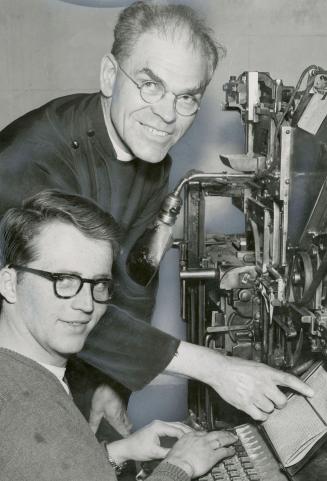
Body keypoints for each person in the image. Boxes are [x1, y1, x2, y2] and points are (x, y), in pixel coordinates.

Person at [0, 0, 313, 431]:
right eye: (151, 85)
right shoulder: (31, 160)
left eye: (186, 97)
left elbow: (134, 281)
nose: (167, 115)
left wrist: (113, 381)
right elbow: (61, 300)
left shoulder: (148, 153)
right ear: (111, 76)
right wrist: (216, 368)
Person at [0, 189, 238, 481]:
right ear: (10, 284)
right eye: (63, 280)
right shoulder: (27, 407)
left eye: (98, 284)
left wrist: (118, 453)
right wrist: (181, 466)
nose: (87, 304)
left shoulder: (24, 372)